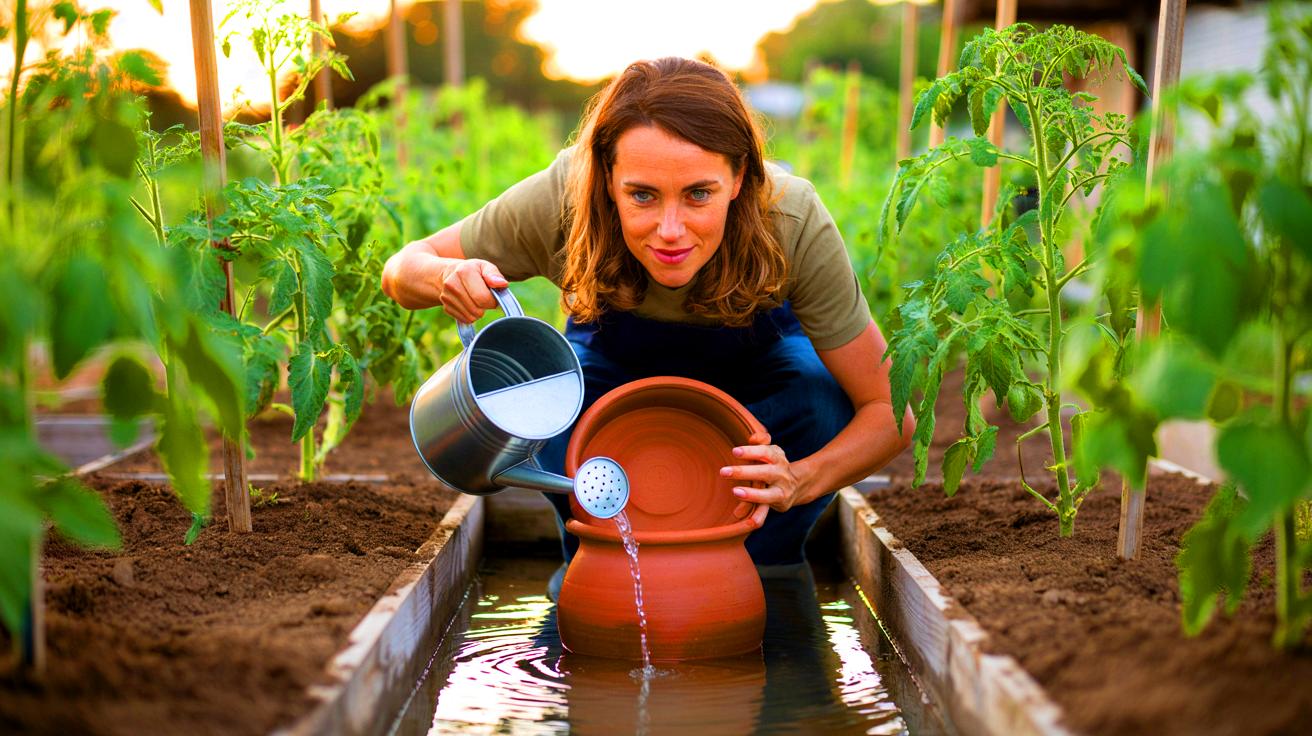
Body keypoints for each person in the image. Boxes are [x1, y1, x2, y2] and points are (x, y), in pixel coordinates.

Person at [382, 57, 913, 570]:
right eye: (642, 196)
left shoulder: (790, 219)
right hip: (611, 369)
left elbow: (891, 411)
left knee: (819, 401)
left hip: (760, 379)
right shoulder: (564, 198)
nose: (671, 230)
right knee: (545, 415)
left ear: (739, 177)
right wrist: (447, 277)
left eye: (699, 194)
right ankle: (600, 558)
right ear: (607, 179)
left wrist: (799, 478)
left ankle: (762, 567)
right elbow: (403, 269)